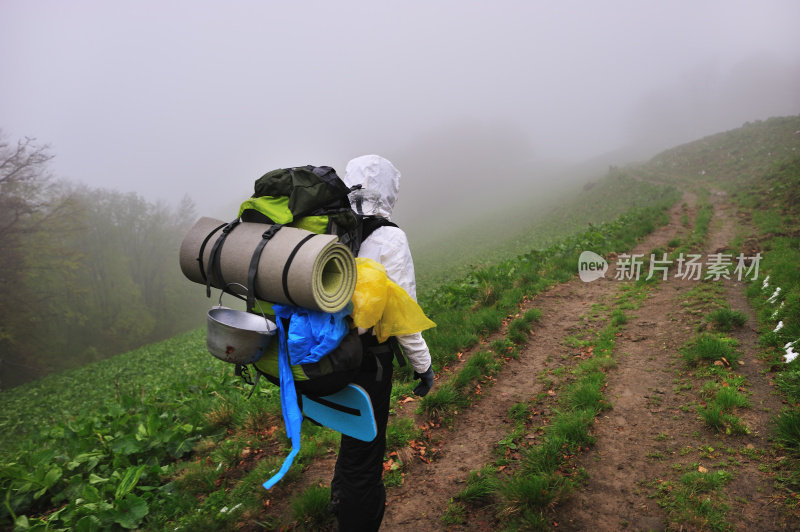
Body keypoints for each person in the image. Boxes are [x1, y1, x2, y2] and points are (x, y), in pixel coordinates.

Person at [329, 154, 435, 531]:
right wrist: (422, 367)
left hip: (326, 354)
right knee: (366, 448)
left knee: (351, 437)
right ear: (390, 189)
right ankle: (356, 520)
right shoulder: (389, 236)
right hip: (368, 361)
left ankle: (340, 497)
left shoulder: (329, 228)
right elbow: (404, 315)